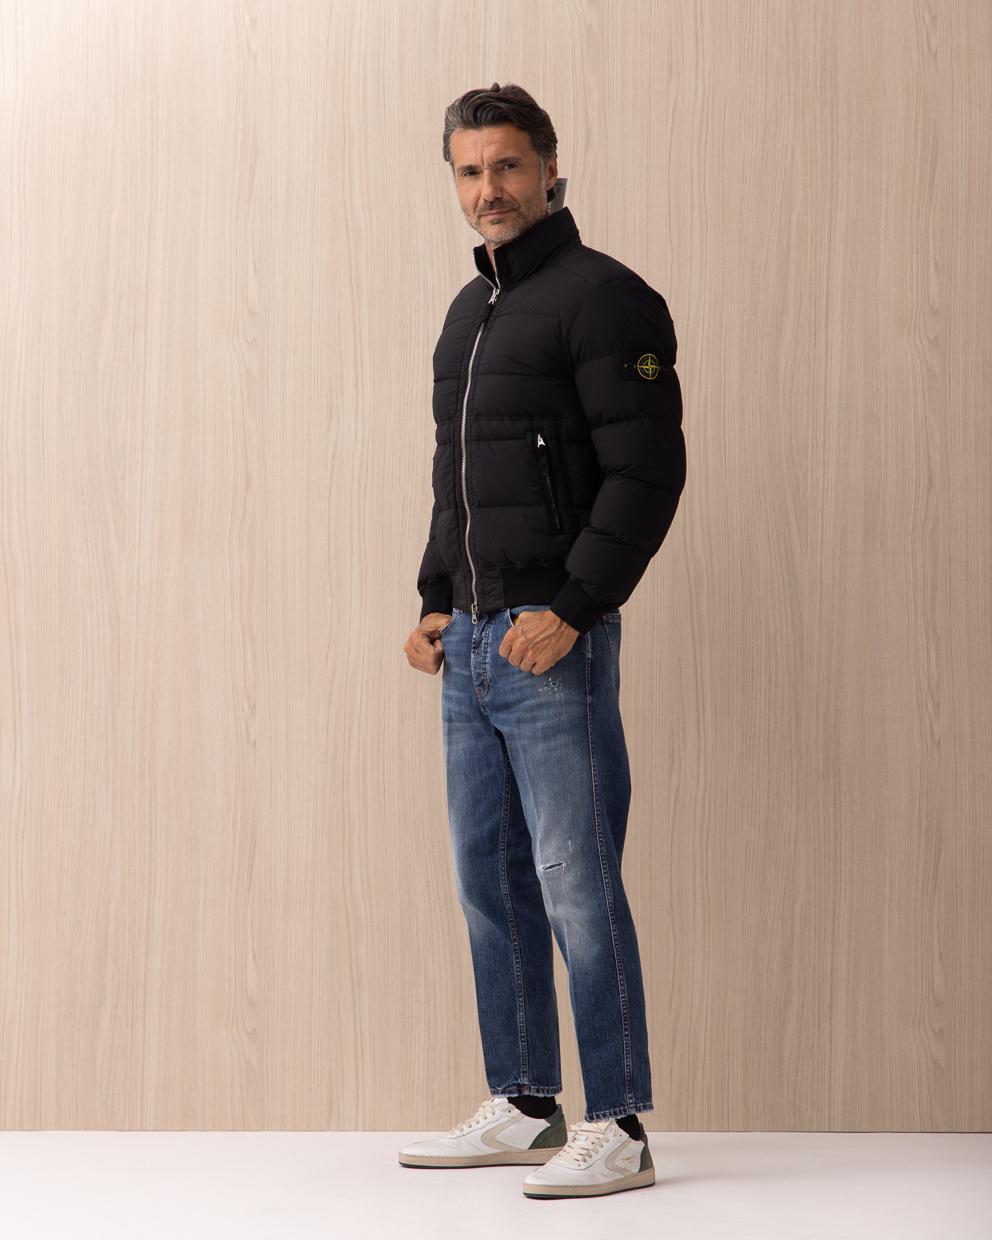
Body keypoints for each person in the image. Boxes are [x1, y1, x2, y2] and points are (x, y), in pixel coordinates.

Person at [401, 82, 686, 1199]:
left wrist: (571, 609)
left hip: (549, 643)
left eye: (508, 167)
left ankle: (618, 1123)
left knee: (575, 879)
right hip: (470, 644)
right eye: (471, 172)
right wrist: (436, 595)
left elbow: (646, 472)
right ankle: (526, 1102)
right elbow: (457, 479)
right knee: (489, 879)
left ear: (550, 169)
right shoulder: (466, 314)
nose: (490, 190)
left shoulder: (604, 299)